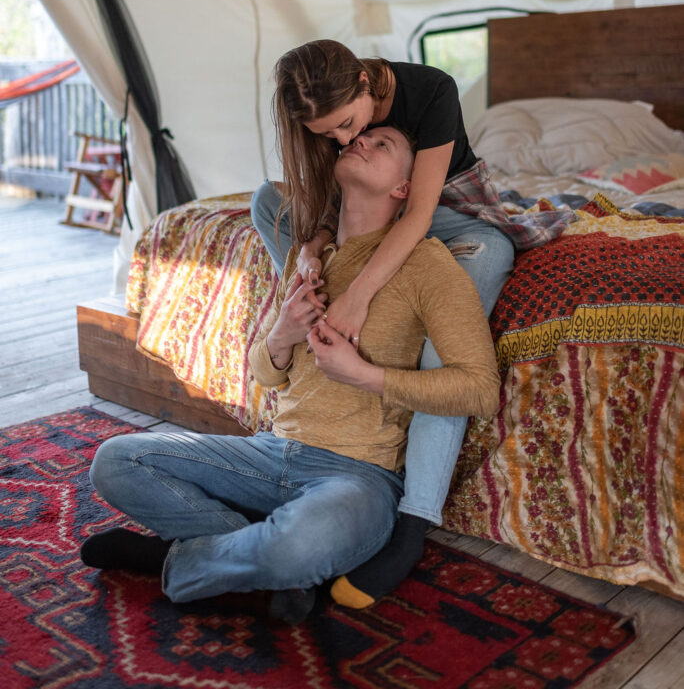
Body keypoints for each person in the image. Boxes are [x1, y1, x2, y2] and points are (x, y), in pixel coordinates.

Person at [81, 126, 500, 622]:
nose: (360, 142)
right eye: (357, 140)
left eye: (381, 145)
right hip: (269, 451)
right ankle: (268, 560)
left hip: (358, 476)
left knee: (297, 546)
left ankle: (172, 559)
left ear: (404, 189)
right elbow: (266, 375)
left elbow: (480, 389)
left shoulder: (426, 263)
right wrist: (280, 334)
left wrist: (364, 374)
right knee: (114, 461)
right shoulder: (310, 260)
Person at [251, 39, 574, 606]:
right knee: (262, 200)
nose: (345, 140)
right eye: (329, 136)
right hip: (367, 221)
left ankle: (411, 524)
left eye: (349, 124)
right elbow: (330, 199)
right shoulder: (330, 119)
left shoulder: (431, 90)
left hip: (448, 219)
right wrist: (315, 245)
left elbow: (417, 213)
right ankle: (314, 315)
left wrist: (357, 296)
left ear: (363, 83)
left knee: (476, 290)